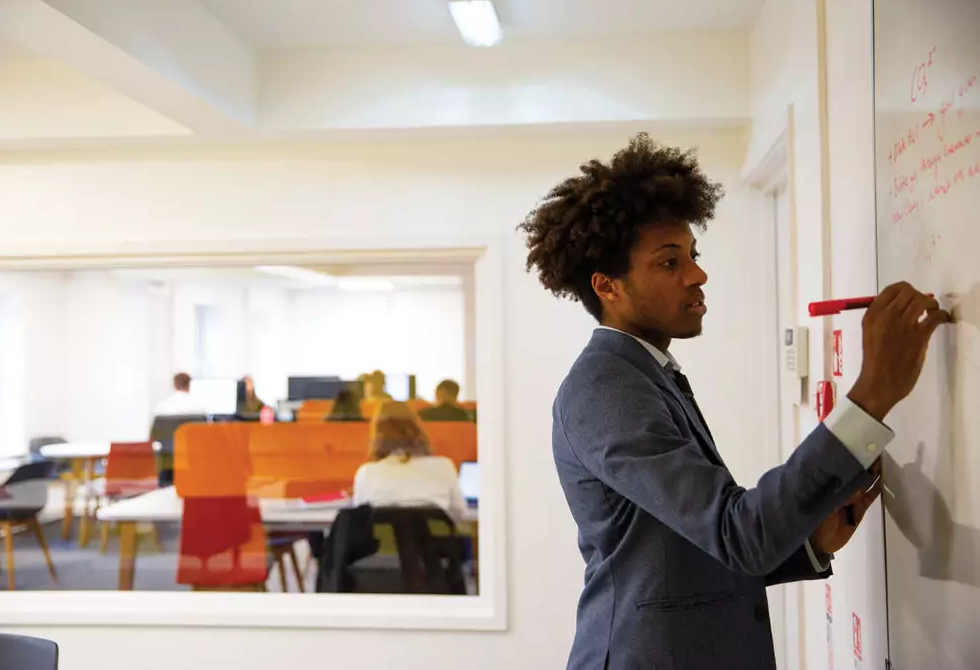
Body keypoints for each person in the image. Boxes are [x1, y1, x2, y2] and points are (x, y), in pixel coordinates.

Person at [518, 133, 951, 670]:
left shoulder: (646, 374)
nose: (698, 275)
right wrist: (871, 396)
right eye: (669, 263)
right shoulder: (606, 388)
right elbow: (736, 533)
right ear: (608, 286)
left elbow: (685, 551)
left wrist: (808, 544)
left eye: (692, 256)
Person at [352, 401, 467, 522]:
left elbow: (360, 520)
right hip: (434, 540)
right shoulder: (444, 467)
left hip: (385, 540)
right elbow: (460, 513)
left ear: (377, 435)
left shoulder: (367, 473)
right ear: (417, 429)